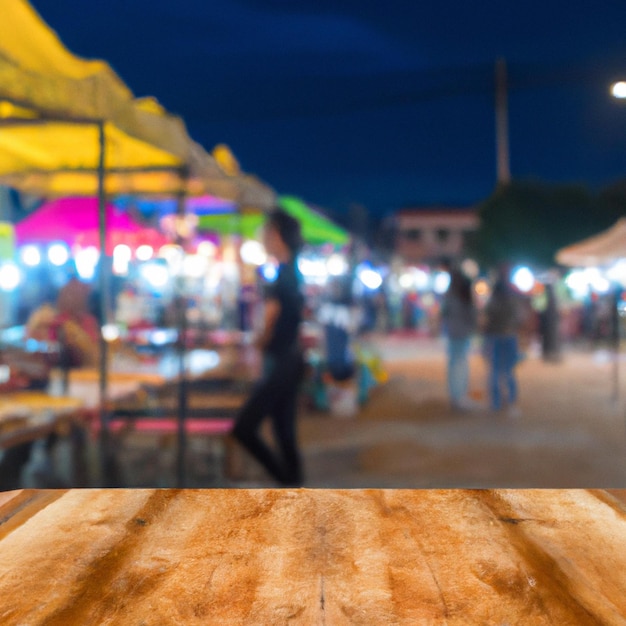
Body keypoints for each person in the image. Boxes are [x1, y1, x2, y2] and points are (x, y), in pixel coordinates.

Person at [232, 209, 306, 486]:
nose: (262, 238)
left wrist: (253, 348)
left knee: (243, 429)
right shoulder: (291, 272)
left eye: (265, 232)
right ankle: (293, 490)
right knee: (284, 432)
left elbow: (268, 325)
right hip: (291, 361)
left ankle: (286, 483)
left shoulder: (284, 277)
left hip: (283, 365)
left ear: (276, 234)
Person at [483, 270, 526, 416]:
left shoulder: (492, 303)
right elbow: (520, 319)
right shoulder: (513, 302)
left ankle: (496, 402)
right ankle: (511, 400)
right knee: (508, 371)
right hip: (509, 338)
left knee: (495, 371)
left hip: (495, 338)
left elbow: (485, 320)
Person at [441, 268, 477, 411]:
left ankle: (458, 396)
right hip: (459, 335)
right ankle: (458, 396)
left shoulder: (451, 298)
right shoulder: (459, 298)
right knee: (458, 365)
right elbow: (470, 316)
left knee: (456, 365)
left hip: (456, 335)